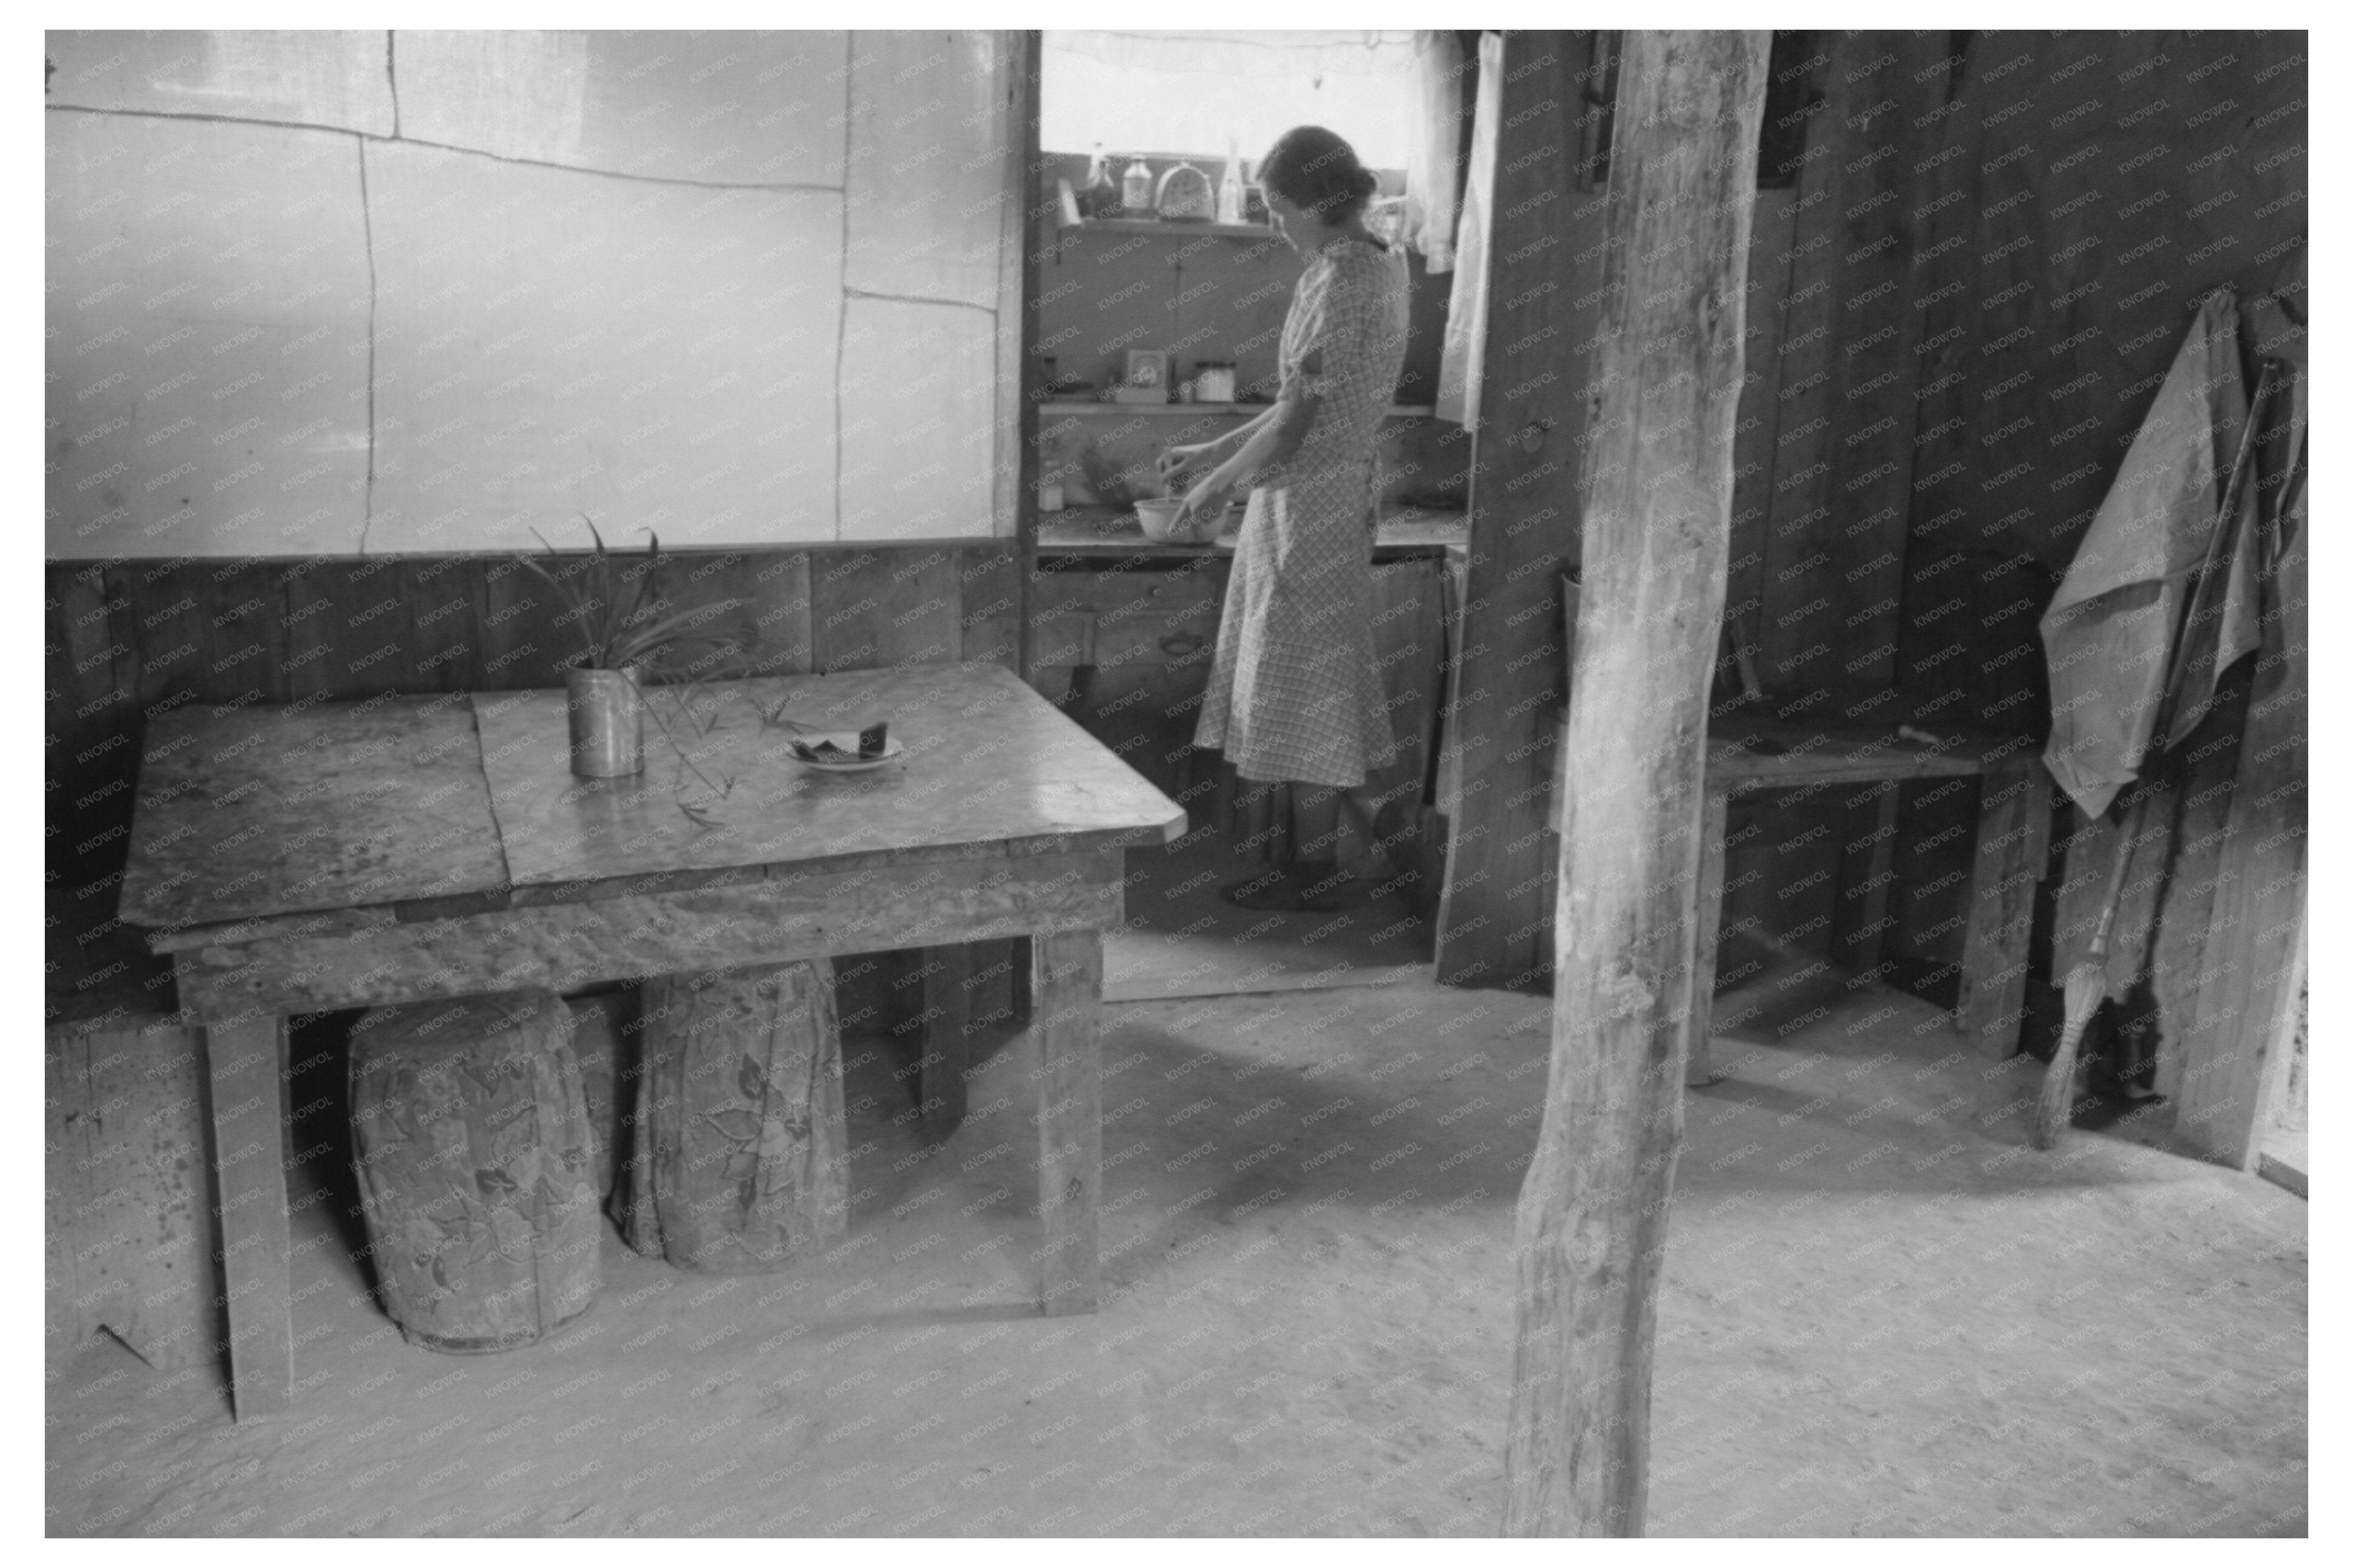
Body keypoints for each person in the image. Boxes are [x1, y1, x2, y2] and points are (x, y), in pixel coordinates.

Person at [1157, 126, 1411, 913]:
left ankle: (1314, 868)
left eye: (1277, 208)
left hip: (1314, 501)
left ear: (1318, 202)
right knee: (1295, 672)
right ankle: (1302, 861)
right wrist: (1212, 451)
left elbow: (1301, 416)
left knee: (1306, 681)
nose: (1273, 224)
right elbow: (1291, 399)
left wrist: (1219, 486)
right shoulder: (1363, 261)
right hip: (1308, 494)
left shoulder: (1347, 281)